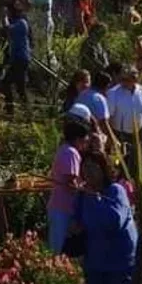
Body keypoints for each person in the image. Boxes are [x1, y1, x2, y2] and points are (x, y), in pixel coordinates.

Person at [72, 150, 138, 284]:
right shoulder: (82, 196)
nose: (89, 172)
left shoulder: (115, 191)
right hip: (95, 262)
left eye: (94, 167)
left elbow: (114, 221)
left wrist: (95, 198)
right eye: (85, 167)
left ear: (104, 168)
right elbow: (77, 224)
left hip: (120, 261)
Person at [46, 105, 91, 253]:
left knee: (59, 244)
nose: (86, 142)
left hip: (60, 206)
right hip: (62, 208)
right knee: (57, 247)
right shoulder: (71, 153)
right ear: (78, 139)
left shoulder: (65, 149)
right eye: (85, 139)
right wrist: (85, 188)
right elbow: (70, 183)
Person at [107, 66, 142, 170]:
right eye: (122, 79)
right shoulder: (113, 93)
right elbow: (108, 118)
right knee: (118, 166)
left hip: (139, 136)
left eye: (126, 79)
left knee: (137, 166)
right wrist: (112, 139)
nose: (123, 82)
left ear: (134, 79)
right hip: (120, 136)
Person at [2, 2, 31, 116]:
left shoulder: (21, 23)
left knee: (9, 84)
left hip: (21, 59)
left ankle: (13, 111)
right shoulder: (15, 22)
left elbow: (8, 29)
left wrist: (4, 17)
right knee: (18, 86)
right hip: (16, 58)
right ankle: (19, 111)